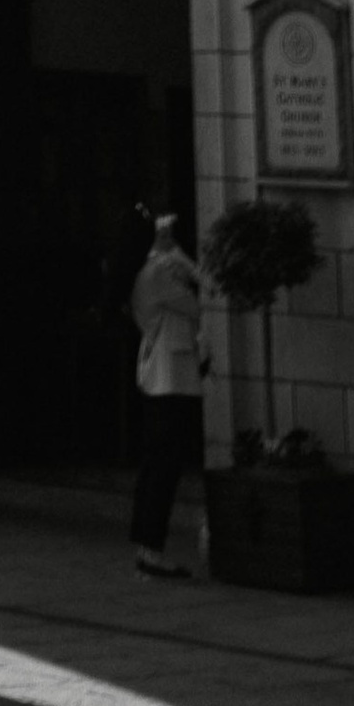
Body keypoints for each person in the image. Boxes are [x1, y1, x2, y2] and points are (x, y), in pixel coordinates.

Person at [128, 213, 205, 579]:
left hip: (165, 378)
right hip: (168, 380)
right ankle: (150, 547)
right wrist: (181, 257)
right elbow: (204, 294)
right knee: (163, 469)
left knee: (157, 467)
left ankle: (147, 545)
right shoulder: (158, 273)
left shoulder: (153, 271)